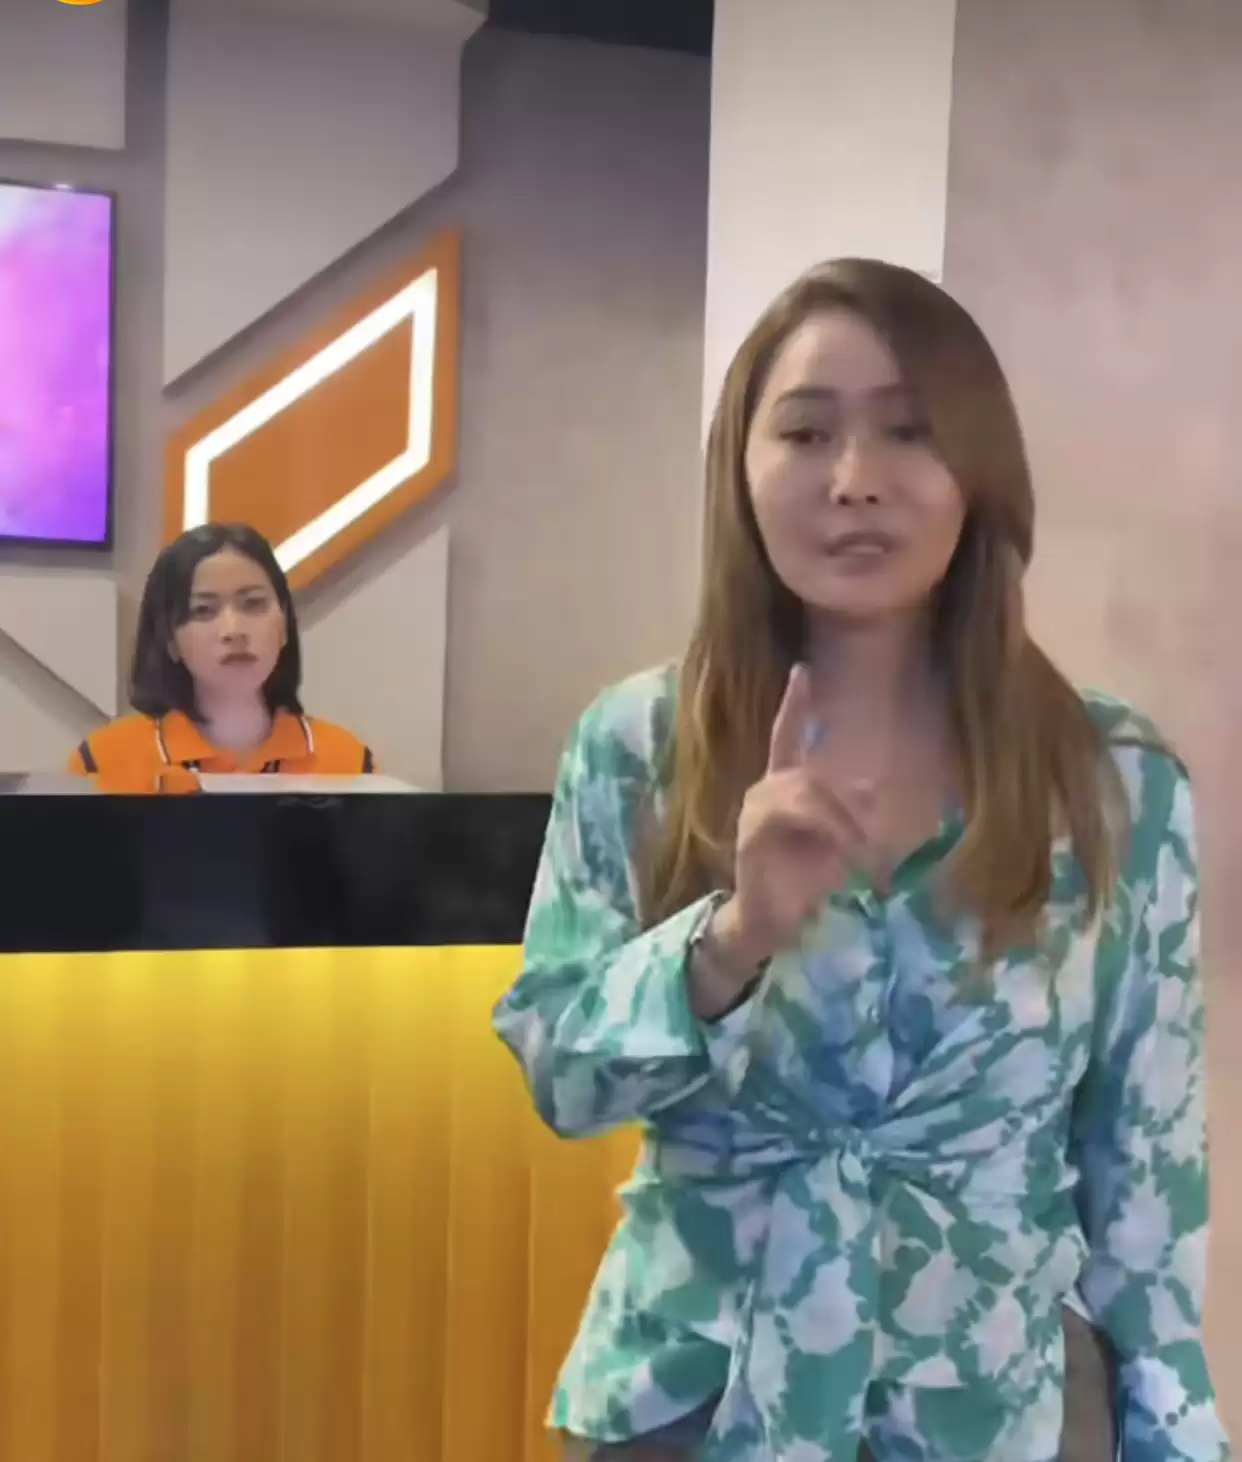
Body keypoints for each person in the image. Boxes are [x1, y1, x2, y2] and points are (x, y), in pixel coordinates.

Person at [493, 260, 1229, 1462]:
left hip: (996, 1401)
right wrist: (728, 943)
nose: (855, 480)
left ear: (980, 471)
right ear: (741, 470)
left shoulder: (1111, 777)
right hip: (695, 1392)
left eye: (909, 431)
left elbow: (1147, 1167)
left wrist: (1177, 1435)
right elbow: (563, 1081)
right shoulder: (640, 744)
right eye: (805, 432)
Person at [69, 522, 375, 792]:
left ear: (283, 624)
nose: (233, 630)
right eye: (203, 610)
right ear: (170, 639)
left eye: (253, 603)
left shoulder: (348, 762)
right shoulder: (103, 764)